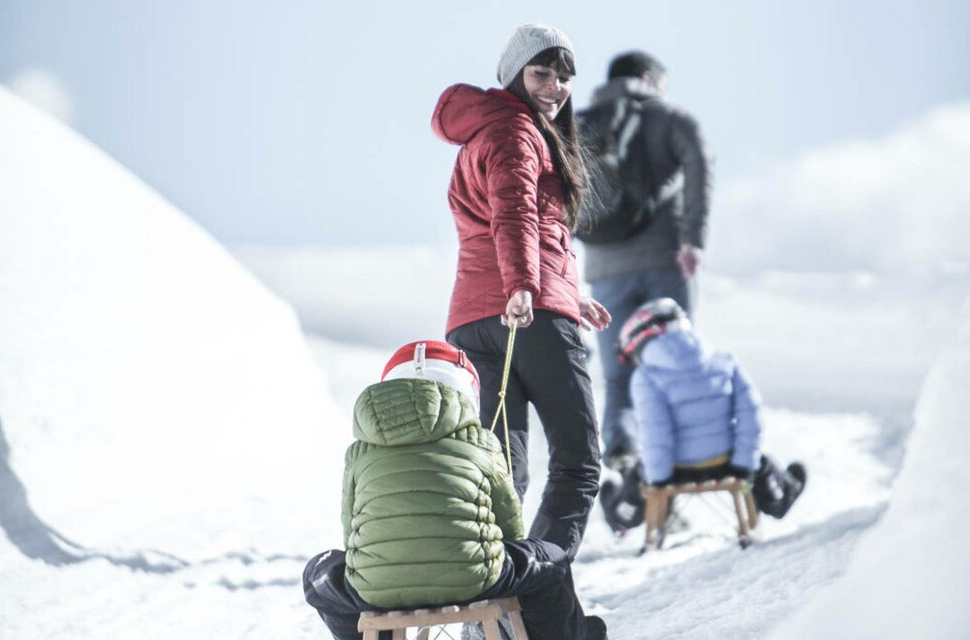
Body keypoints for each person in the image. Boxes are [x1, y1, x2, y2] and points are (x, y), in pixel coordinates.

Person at [432, 24, 611, 561]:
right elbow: (514, 215)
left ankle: (492, 609)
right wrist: (526, 288)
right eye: (542, 73)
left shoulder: (484, 131)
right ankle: (532, 593)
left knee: (503, 473)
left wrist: (563, 293)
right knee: (578, 464)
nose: (555, 86)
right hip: (525, 315)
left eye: (563, 77)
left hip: (473, 321)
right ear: (514, 73)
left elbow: (510, 225)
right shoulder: (516, 131)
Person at [302, 341, 608, 640]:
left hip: (376, 587)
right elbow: (508, 524)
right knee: (550, 558)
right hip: (475, 579)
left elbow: (351, 528)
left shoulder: (360, 452)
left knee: (318, 574)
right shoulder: (481, 442)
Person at [580, 51, 712, 475]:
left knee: (618, 377)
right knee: (675, 369)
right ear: (648, 79)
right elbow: (699, 166)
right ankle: (678, 471)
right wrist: (692, 240)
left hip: (604, 272)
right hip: (664, 263)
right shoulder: (671, 118)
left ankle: (623, 460)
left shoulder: (578, 124)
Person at [599, 299, 806, 533]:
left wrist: (658, 480)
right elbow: (751, 416)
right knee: (761, 462)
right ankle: (780, 496)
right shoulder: (724, 362)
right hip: (726, 463)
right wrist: (745, 464)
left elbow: (656, 432)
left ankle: (622, 516)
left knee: (640, 473)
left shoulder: (646, 377)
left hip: (675, 470)